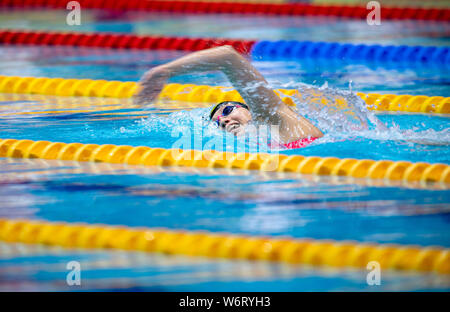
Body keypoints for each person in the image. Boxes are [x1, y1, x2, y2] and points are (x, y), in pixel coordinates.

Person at [134, 45, 323, 149]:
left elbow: (227, 56)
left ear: (250, 107)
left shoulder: (275, 116)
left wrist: (165, 71)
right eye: (218, 122)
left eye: (227, 110)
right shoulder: (257, 147)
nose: (223, 119)